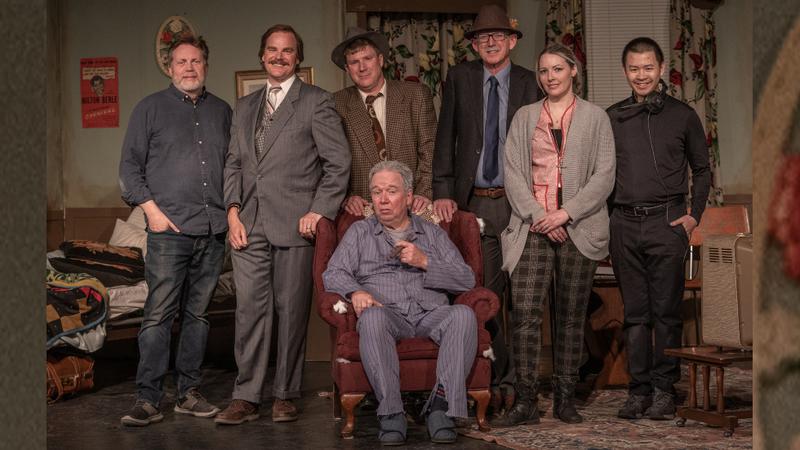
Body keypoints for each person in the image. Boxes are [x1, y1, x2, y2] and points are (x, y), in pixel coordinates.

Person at [215, 24, 350, 425]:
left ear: (297, 58)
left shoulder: (317, 102)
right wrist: (232, 211)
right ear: (262, 56)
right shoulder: (244, 106)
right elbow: (234, 164)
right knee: (249, 312)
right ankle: (246, 396)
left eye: (287, 51)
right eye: (272, 50)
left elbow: (338, 163)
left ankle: (285, 394)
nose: (279, 56)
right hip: (248, 224)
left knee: (290, 312)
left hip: (296, 225)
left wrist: (319, 211)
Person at [496, 43, 615, 426]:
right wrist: (540, 216)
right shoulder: (525, 117)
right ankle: (526, 401)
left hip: (580, 227)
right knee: (525, 314)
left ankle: (566, 398)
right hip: (533, 227)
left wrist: (565, 214)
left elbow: (604, 176)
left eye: (558, 69)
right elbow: (513, 173)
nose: (550, 77)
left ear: (573, 71)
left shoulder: (596, 117)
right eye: (544, 71)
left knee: (570, 315)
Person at [118, 35, 231, 426]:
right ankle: (148, 399)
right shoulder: (149, 108)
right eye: (181, 61)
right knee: (158, 316)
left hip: (213, 230)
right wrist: (151, 212)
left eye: (196, 61)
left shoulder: (222, 111)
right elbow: (129, 169)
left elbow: (234, 168)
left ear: (205, 65)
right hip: (168, 230)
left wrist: (231, 215)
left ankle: (188, 393)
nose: (189, 68)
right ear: (169, 68)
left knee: (198, 316)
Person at [323, 160, 477, 445]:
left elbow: (467, 279)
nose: (382, 199)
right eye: (376, 192)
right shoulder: (360, 233)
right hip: (388, 314)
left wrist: (425, 261)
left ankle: (440, 407)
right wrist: (355, 291)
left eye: (391, 191)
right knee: (371, 318)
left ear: (408, 197)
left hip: (430, 314)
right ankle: (391, 413)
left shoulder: (432, 233)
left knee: (463, 314)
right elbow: (333, 273)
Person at [432, 3, 540, 412]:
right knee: (484, 294)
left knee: (523, 298)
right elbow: (446, 136)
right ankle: (497, 376)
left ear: (512, 41)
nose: (490, 42)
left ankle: (522, 383)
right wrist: (443, 189)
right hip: (475, 200)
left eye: (498, 36)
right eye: (482, 37)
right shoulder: (460, 78)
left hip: (520, 203)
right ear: (475, 46)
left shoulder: (530, 82)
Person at [607, 37, 710, 420]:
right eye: (634, 68)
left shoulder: (683, 115)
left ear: (662, 68)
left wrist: (694, 216)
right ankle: (638, 391)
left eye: (648, 67)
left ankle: (665, 390)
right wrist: (607, 224)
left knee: (666, 313)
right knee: (635, 314)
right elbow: (601, 175)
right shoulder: (612, 117)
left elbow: (702, 169)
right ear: (625, 71)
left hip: (668, 222)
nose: (641, 75)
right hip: (623, 223)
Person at [331, 27, 436, 216]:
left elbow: (429, 149)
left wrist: (423, 193)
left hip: (413, 205)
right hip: (363, 209)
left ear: (380, 60)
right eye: (354, 62)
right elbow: (330, 160)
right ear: (347, 69)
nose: (362, 67)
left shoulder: (416, 95)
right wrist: (347, 197)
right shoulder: (335, 103)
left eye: (367, 58)